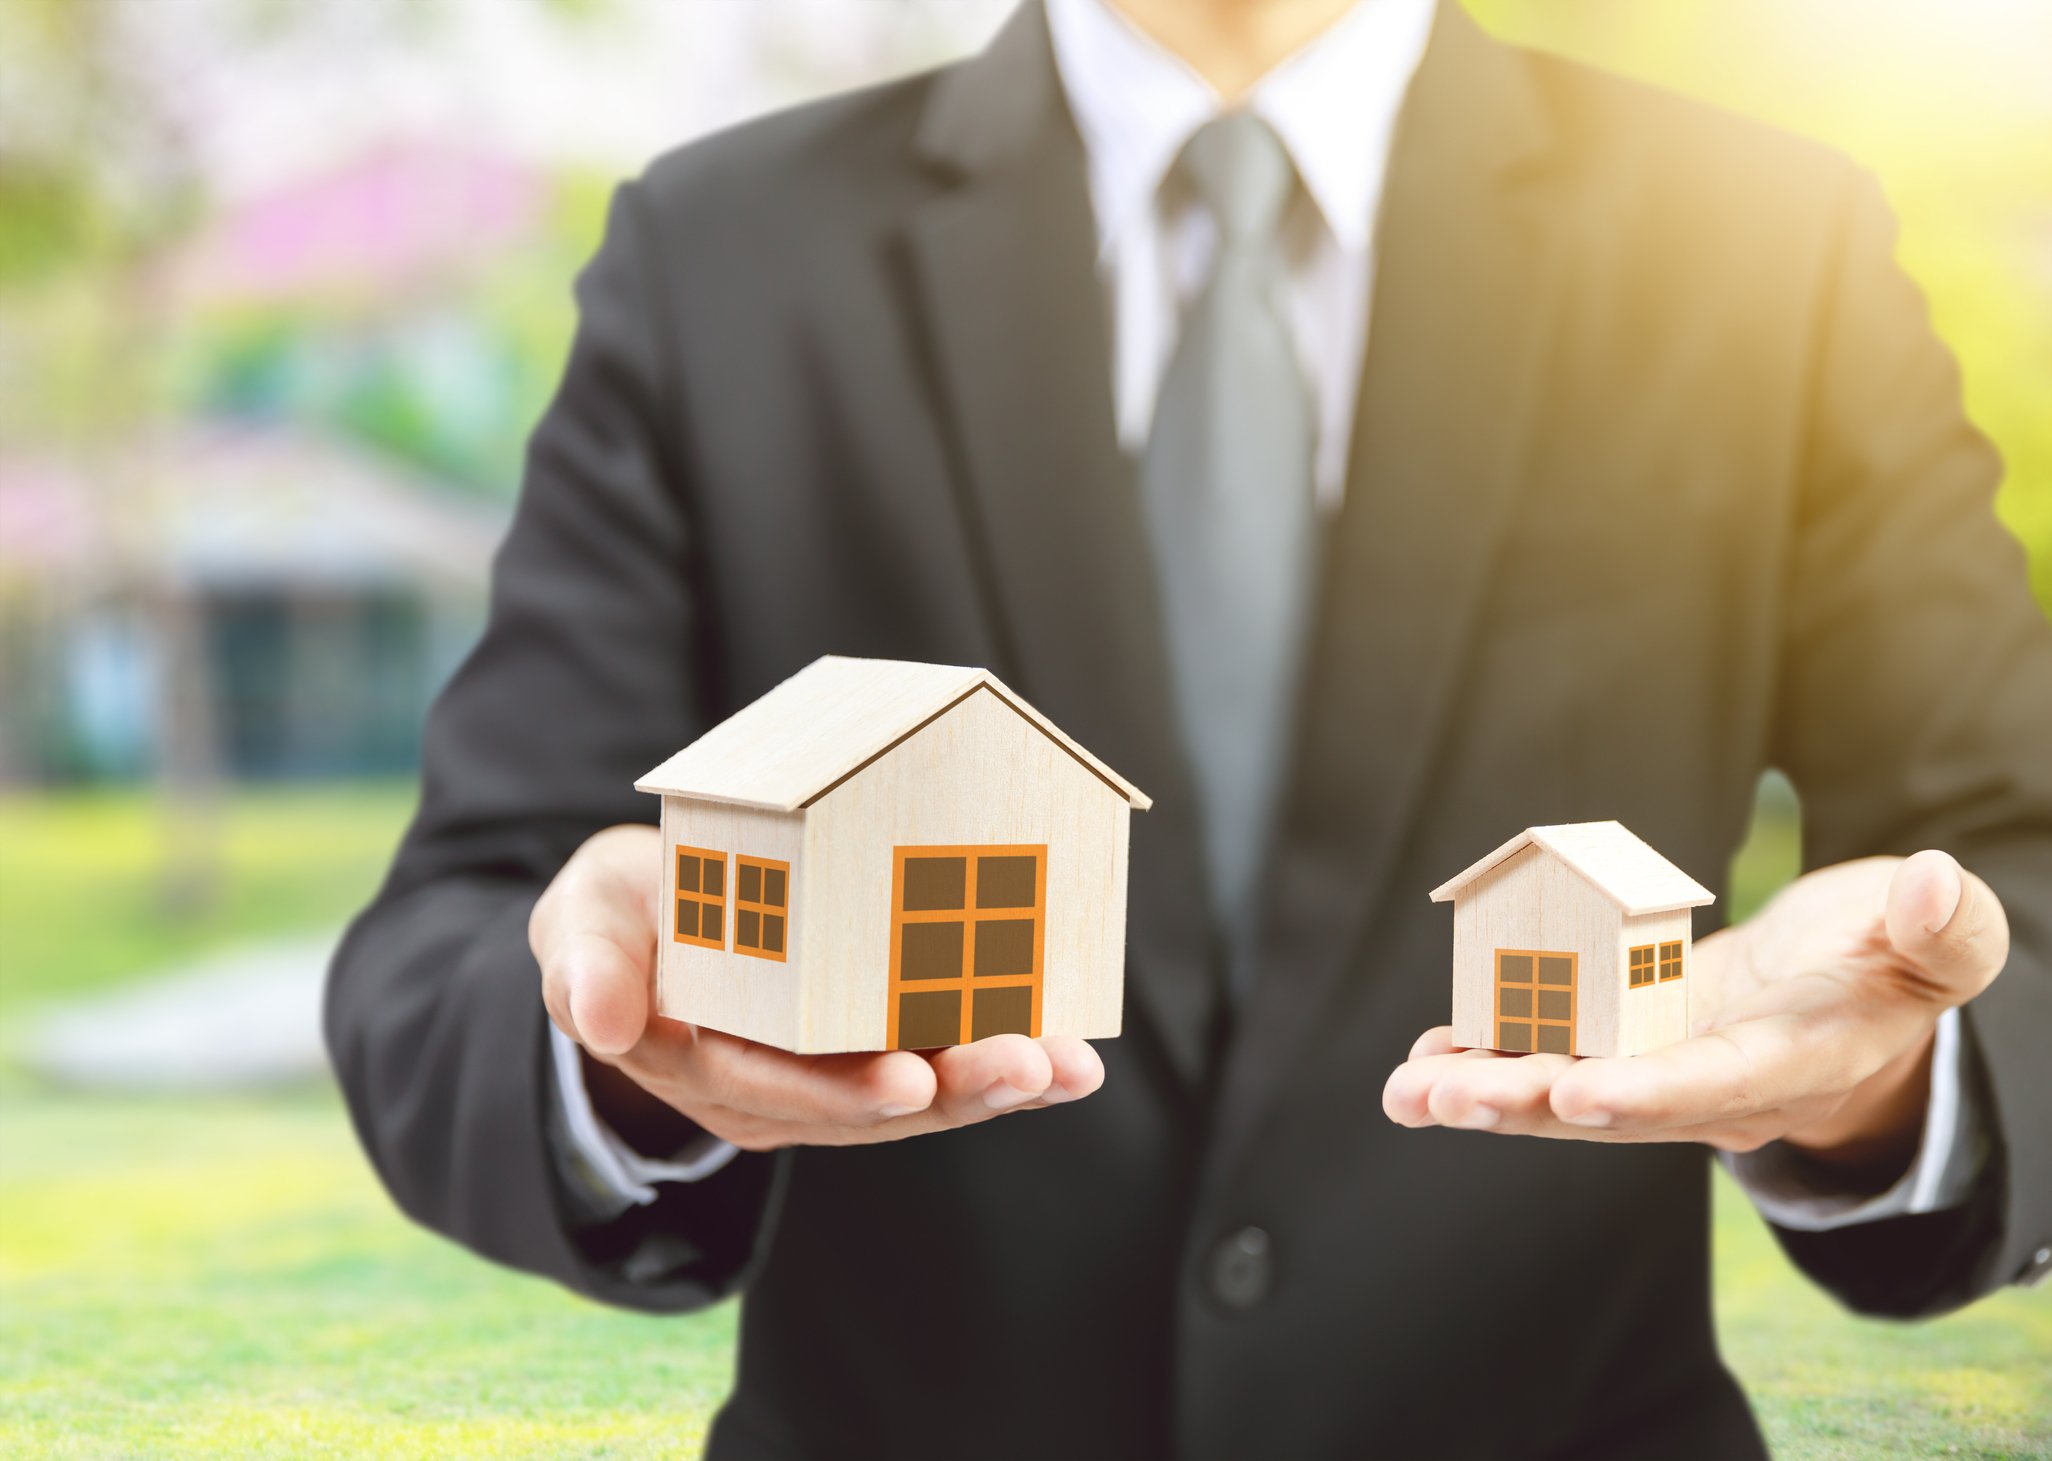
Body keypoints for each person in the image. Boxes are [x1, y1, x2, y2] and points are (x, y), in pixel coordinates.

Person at [325, 0, 2052, 1455]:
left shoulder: (1771, 244)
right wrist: (610, 1033)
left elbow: (2021, 891)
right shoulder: (724, 253)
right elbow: (449, 943)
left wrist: (1892, 1072)